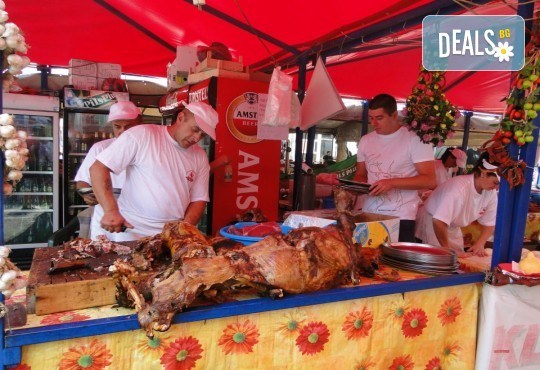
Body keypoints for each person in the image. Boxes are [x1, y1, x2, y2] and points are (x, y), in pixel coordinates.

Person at [89, 101, 218, 241]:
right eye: (195, 129)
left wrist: (182, 232)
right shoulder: (143, 135)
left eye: (203, 135)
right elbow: (98, 168)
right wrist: (111, 210)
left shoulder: (199, 156)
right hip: (130, 232)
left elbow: (199, 198)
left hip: (168, 236)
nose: (197, 138)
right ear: (180, 118)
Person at [353, 93, 436, 242]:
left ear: (394, 115)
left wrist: (391, 183)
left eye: (379, 118)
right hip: (368, 213)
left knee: (394, 264)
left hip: (401, 216)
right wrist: (355, 187)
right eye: (371, 118)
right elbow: (360, 174)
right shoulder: (365, 141)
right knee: (363, 260)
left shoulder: (414, 139)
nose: (374, 123)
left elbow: (430, 180)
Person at [415, 154, 499, 257]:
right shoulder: (459, 188)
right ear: (483, 174)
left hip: (452, 226)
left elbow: (490, 222)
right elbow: (438, 221)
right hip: (432, 222)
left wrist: (480, 244)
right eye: (495, 182)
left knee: (459, 261)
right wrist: (447, 250)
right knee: (440, 259)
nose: (496, 187)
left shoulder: (490, 192)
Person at [74, 101, 142, 205]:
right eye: (117, 126)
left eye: (128, 127)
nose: (123, 131)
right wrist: (87, 194)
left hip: (138, 215)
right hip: (106, 215)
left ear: (139, 125)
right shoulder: (100, 148)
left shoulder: (148, 148)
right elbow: (82, 181)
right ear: (112, 126)